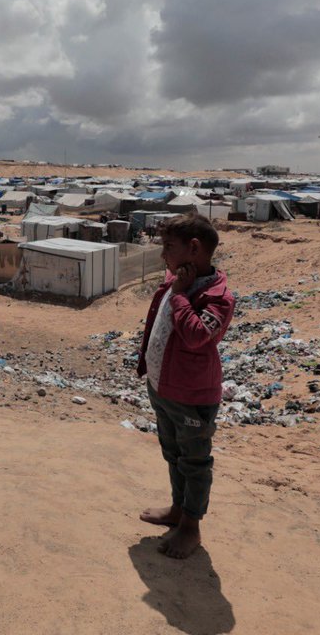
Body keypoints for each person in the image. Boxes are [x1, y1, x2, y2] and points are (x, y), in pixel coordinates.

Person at [136, 212, 235, 559]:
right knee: (173, 452)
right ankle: (178, 510)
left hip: (192, 397)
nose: (164, 255)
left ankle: (191, 526)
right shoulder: (176, 278)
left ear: (194, 249)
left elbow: (196, 336)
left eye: (169, 247)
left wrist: (179, 295)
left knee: (194, 461)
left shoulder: (218, 296)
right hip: (163, 387)